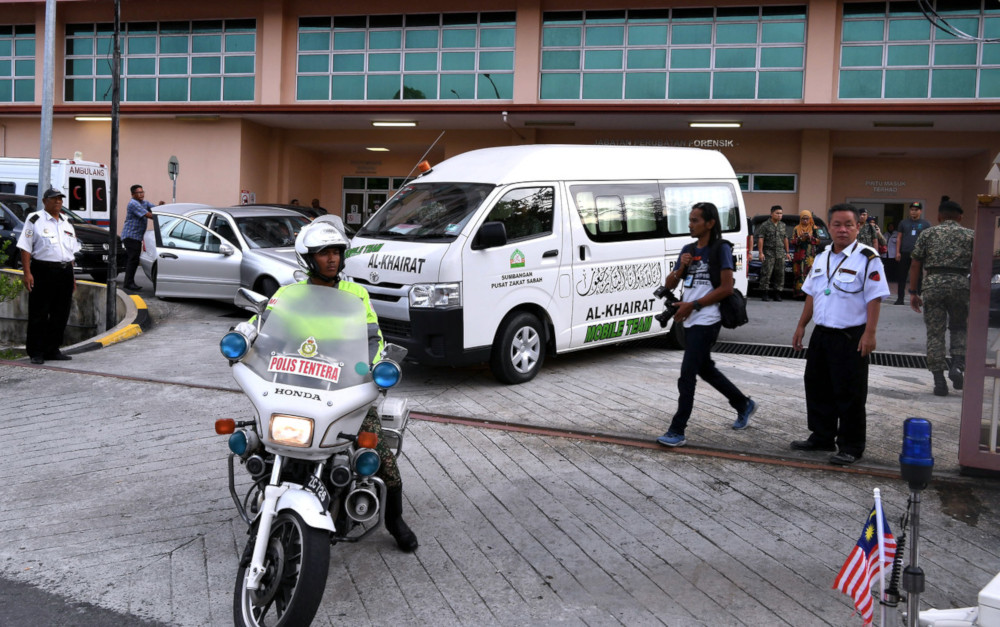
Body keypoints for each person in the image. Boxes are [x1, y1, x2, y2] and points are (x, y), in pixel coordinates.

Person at [237, 222, 418, 552]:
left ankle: (395, 520)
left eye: (336, 252)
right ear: (308, 259)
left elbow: (373, 337)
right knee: (260, 440)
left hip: (344, 385)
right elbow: (262, 325)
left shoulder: (356, 294)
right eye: (324, 253)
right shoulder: (288, 294)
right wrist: (244, 337)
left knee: (380, 456)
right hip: (292, 380)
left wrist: (373, 366)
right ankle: (269, 489)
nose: (332, 259)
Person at [790, 203, 889, 466]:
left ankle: (851, 445)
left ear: (858, 227)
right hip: (822, 334)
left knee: (850, 392)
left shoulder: (868, 258)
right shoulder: (822, 257)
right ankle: (822, 436)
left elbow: (875, 298)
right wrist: (802, 326)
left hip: (851, 336)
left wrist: (870, 333)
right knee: (817, 385)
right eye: (837, 224)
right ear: (829, 227)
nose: (842, 230)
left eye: (848, 225)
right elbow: (811, 293)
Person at [656, 202, 757, 448]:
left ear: (710, 223)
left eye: (695, 220)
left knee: (687, 374)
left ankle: (677, 429)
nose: (690, 225)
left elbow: (725, 288)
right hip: (689, 319)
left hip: (708, 318)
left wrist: (695, 305)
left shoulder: (720, 249)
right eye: (689, 220)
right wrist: (682, 267)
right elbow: (668, 284)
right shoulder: (688, 249)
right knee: (705, 368)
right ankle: (743, 404)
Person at [908, 197, 974, 396]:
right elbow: (980, 263)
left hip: (933, 284)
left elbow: (915, 263)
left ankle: (939, 381)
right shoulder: (970, 235)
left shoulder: (928, 233)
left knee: (935, 332)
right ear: (960, 217)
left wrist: (913, 292)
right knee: (959, 327)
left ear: (938, 216)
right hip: (960, 283)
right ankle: (957, 365)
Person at [16, 188, 81, 364]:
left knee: (61, 313)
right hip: (43, 271)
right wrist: (27, 273)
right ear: (45, 201)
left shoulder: (67, 222)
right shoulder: (35, 220)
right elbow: (25, 247)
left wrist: (72, 276)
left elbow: (71, 252)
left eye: (60, 199)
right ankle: (36, 352)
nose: (58, 202)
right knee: (39, 312)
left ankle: (52, 349)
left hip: (65, 271)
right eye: (54, 199)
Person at [894, 201, 932, 305]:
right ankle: (900, 299)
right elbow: (899, 238)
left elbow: (929, 240)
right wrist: (897, 252)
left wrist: (927, 253)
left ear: (920, 211)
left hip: (919, 253)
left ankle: (918, 298)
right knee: (902, 275)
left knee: (918, 276)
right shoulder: (903, 223)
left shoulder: (926, 224)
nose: (913, 212)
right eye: (911, 210)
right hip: (905, 252)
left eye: (916, 210)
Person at [121, 184, 154, 291]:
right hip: (130, 236)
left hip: (137, 237)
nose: (141, 194)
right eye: (138, 193)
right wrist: (160, 216)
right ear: (133, 194)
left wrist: (161, 207)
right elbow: (148, 215)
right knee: (133, 259)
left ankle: (129, 282)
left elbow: (154, 208)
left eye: (142, 192)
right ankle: (128, 283)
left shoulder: (144, 202)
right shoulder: (133, 204)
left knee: (134, 259)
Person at [756, 205, 789, 302]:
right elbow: (761, 239)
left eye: (781, 213)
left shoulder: (783, 225)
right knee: (766, 273)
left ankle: (777, 293)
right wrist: (761, 253)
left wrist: (787, 252)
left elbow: (785, 238)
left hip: (780, 253)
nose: (779, 215)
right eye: (777, 213)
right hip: (768, 252)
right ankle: (765, 293)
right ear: (771, 214)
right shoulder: (765, 225)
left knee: (780, 274)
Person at [790, 209, 821, 299]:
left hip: (810, 255)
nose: (805, 221)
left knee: (810, 273)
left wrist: (810, 237)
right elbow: (793, 241)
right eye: (803, 219)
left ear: (810, 219)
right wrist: (800, 238)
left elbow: (819, 241)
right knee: (799, 273)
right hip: (799, 254)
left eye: (807, 219)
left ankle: (808, 295)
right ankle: (799, 293)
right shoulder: (796, 228)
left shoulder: (815, 228)